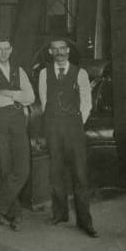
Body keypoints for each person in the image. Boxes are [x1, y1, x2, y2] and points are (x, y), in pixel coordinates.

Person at [39, 37, 98, 237]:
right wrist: (53, 123)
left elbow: (87, 103)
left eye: (62, 48)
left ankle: (84, 221)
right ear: (50, 52)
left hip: (74, 128)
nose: (59, 52)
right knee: (56, 172)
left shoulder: (80, 73)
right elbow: (44, 99)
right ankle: (60, 214)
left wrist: (75, 123)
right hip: (53, 128)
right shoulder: (43, 73)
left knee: (80, 175)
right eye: (55, 49)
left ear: (68, 51)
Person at [0, 37, 35, 231]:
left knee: (23, 168)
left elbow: (31, 97)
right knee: (4, 166)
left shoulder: (19, 71)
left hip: (18, 123)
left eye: (6, 49)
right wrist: (17, 98)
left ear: (11, 50)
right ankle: (13, 212)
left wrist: (10, 94)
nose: (3, 52)